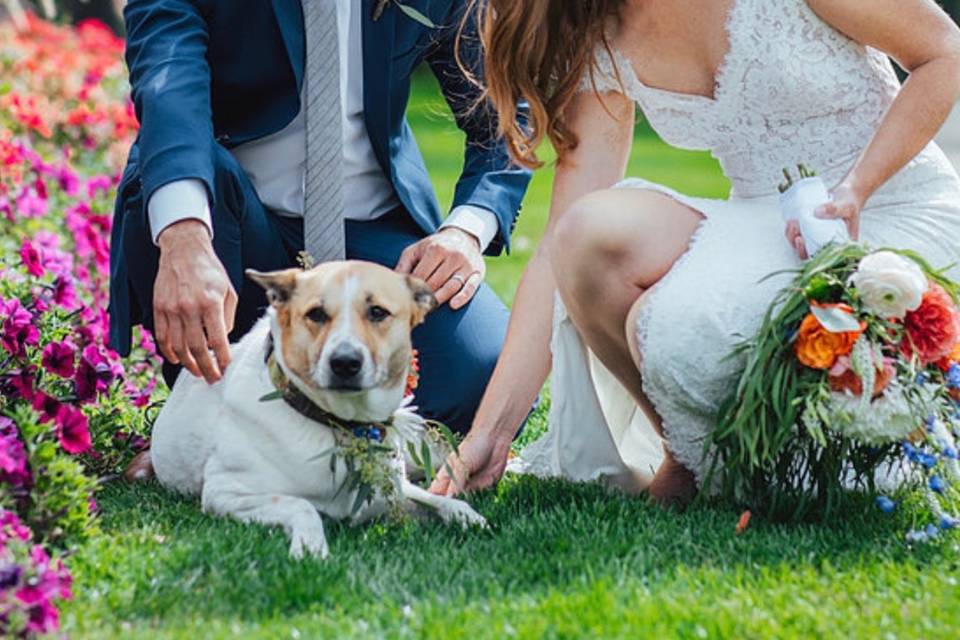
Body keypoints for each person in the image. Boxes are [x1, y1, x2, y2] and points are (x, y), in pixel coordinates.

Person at [430, 0, 960, 502]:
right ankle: (688, 454)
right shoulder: (599, 32)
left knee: (696, 337)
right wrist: (490, 433)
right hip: (765, 225)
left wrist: (856, 188)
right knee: (585, 236)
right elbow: (554, 251)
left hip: (895, 204)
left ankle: (750, 458)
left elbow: (943, 50)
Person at [108, 0, 531, 434]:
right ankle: (197, 420)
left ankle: (321, 429)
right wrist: (184, 237)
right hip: (237, 230)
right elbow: (168, 85)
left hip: (374, 231)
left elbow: (502, 109)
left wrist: (467, 229)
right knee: (179, 181)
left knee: (485, 381)